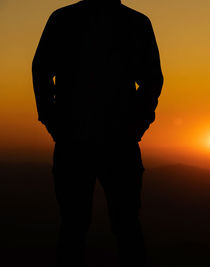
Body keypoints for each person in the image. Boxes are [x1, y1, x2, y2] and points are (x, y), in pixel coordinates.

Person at [32, 0, 163, 266]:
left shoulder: (64, 19)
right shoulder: (135, 23)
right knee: (119, 226)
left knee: (79, 227)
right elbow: (153, 80)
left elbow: (41, 70)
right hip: (106, 143)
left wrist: (53, 121)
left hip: (89, 142)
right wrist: (137, 125)